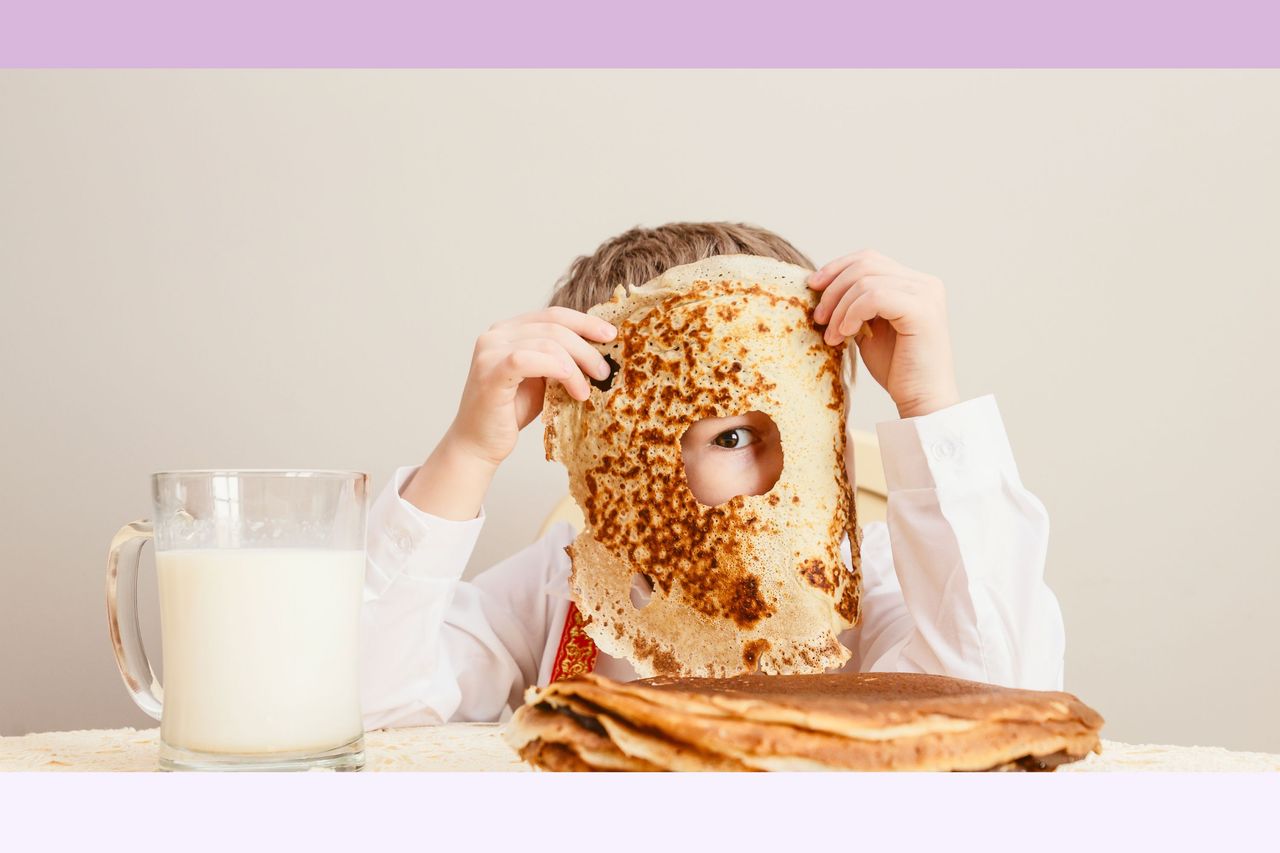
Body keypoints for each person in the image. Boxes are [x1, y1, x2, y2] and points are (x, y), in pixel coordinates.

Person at [359, 222, 1064, 729]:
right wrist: (466, 453)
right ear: (626, 462)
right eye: (733, 436)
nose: (781, 475)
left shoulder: (880, 585)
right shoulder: (565, 593)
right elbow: (363, 699)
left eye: (805, 429)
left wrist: (929, 402)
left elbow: (1001, 698)